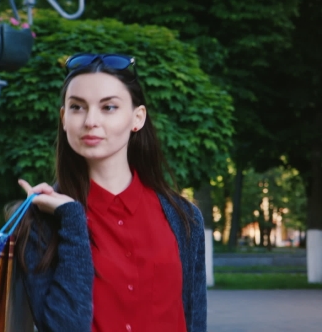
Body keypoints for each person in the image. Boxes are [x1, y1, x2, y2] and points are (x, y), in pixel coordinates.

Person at [15, 53, 207, 332]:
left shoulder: (184, 217)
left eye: (109, 107)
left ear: (137, 118)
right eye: (77, 107)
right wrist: (72, 221)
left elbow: (195, 319)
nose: (91, 120)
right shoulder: (41, 220)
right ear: (64, 118)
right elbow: (63, 328)